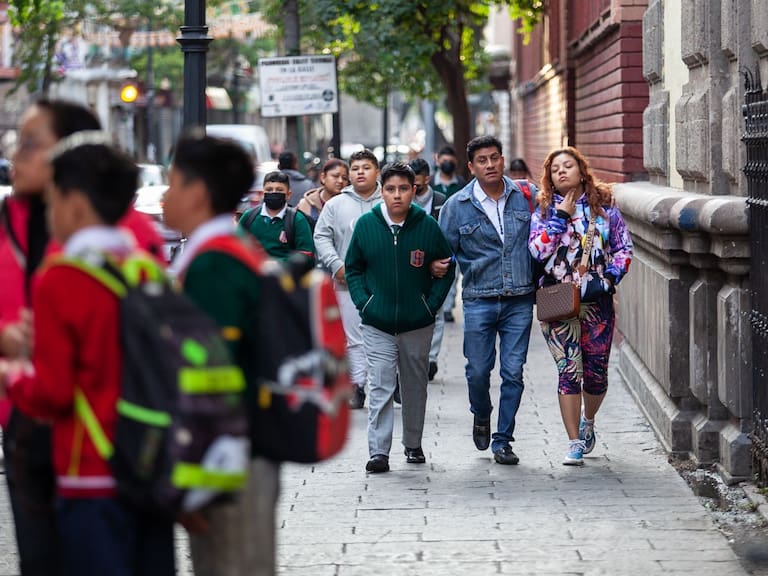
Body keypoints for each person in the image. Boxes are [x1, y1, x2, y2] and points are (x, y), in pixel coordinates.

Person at [0, 99, 164, 576]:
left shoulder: (125, 231)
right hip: (29, 427)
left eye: (32, 143)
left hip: (105, 432)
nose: (18, 154)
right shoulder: (7, 219)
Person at [163, 131, 279, 576]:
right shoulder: (224, 251)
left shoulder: (214, 264)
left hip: (229, 457)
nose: (166, 196)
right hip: (235, 450)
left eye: (173, 183)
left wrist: (197, 481)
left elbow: (214, 377)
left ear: (197, 192)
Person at [345, 162, 454, 473]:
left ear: (414, 191)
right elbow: (353, 268)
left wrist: (429, 305)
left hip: (417, 322)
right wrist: (364, 303)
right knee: (379, 384)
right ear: (382, 192)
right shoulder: (366, 226)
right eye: (390, 189)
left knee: (414, 385)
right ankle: (378, 451)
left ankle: (413, 444)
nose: (397, 195)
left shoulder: (427, 226)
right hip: (377, 322)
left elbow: (446, 267)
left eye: (403, 189)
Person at [528, 146, 632, 466]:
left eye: (568, 166)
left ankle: (589, 421)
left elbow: (623, 247)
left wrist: (611, 278)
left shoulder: (604, 211)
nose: (561, 171)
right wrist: (560, 218)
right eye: (555, 168)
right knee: (569, 371)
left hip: (597, 303)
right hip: (558, 301)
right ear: (549, 178)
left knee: (596, 374)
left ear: (581, 171)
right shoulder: (544, 212)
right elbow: (538, 252)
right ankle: (574, 441)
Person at [437, 135, 538, 466]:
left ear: (503, 159)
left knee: (513, 372)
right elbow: (444, 254)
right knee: (478, 371)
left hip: (520, 299)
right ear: (471, 167)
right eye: (482, 160)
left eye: (495, 157)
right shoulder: (456, 206)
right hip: (479, 299)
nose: (491, 165)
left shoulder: (526, 196)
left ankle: (503, 440)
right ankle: (481, 413)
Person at [314, 148, 382, 410]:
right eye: (355, 169)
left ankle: (384, 382)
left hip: (383, 283)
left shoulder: (387, 200)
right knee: (354, 338)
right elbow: (321, 236)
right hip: (346, 282)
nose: (360, 172)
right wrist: (335, 264)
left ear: (377, 171)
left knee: (384, 335)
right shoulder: (335, 204)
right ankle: (357, 385)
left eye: (366, 167)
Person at [409, 157, 447, 381]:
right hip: (411, 265)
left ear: (427, 178)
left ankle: (430, 359)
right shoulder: (404, 199)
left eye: (417, 180)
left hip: (436, 265)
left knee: (437, 313)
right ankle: (416, 358)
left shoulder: (441, 201)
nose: (414, 185)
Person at [238, 170, 315, 263]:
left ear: (288, 195)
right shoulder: (249, 217)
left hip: (287, 275)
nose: (274, 193)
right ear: (263, 193)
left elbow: (306, 254)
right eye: (269, 190)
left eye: (279, 190)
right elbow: (236, 247)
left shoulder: (297, 219)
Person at [296, 158, 349, 228]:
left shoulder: (350, 204)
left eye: (344, 178)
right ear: (323, 177)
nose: (340, 181)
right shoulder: (306, 204)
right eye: (335, 176)